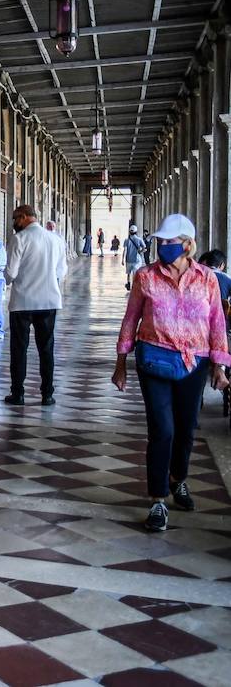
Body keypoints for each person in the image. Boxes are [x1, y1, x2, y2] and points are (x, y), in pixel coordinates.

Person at [113, 214, 230, 532]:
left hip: (195, 363)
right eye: (161, 242)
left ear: (187, 244)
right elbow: (131, 319)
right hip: (154, 360)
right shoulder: (145, 277)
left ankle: (178, 479)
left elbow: (217, 323)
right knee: (161, 429)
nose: (163, 246)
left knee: (186, 428)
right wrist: (121, 362)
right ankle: (158, 500)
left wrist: (219, 367)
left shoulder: (208, 279)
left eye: (170, 241)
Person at [4, 204, 68, 406]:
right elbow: (62, 271)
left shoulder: (19, 238)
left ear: (23, 217)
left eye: (15, 219)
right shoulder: (55, 239)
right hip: (49, 301)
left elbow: (11, 273)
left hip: (22, 302)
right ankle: (47, 394)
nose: (14, 224)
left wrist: (6, 277)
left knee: (19, 349)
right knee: (46, 349)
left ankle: (18, 393)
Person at [124, 225, 147, 291]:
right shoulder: (139, 239)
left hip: (128, 259)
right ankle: (135, 284)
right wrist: (140, 251)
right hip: (137, 259)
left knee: (128, 273)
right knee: (135, 272)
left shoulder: (127, 240)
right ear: (136, 232)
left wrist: (122, 259)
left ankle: (128, 283)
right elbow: (145, 248)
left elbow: (125, 250)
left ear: (129, 232)